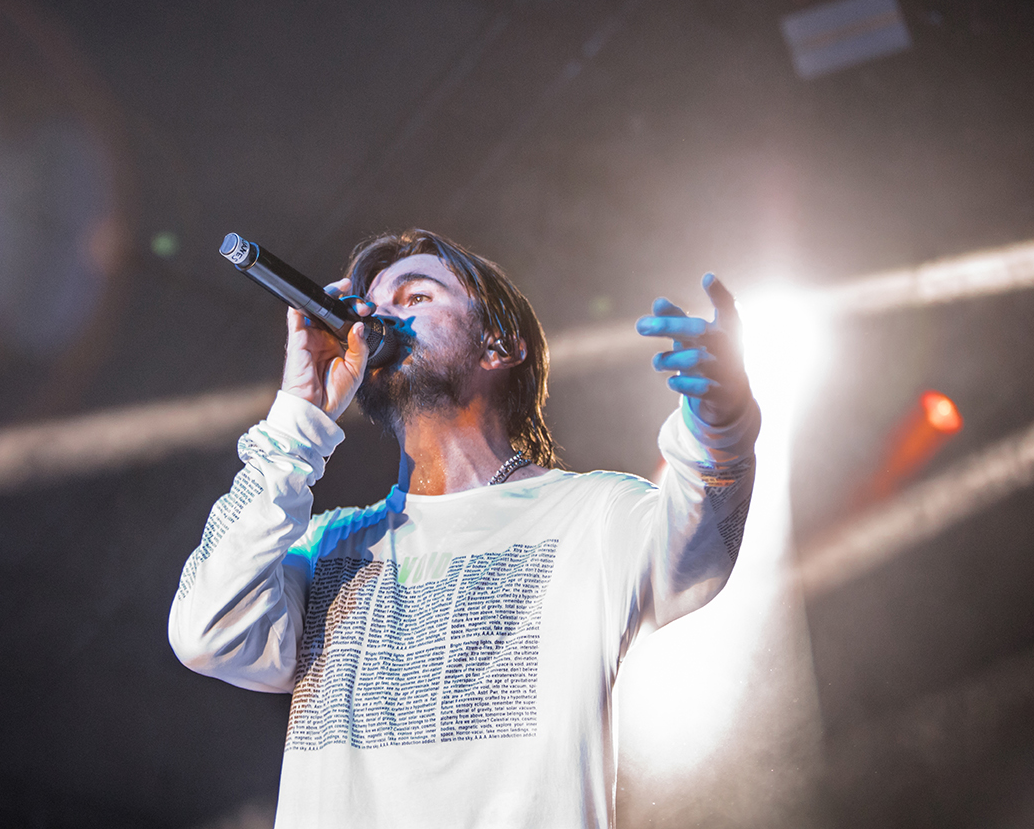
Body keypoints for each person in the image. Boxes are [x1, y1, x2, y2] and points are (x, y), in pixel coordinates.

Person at [169, 229, 759, 829]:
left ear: (499, 345)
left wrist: (722, 420)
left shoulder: (591, 515)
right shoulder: (322, 548)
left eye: (416, 296)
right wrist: (300, 416)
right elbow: (206, 633)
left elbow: (700, 545)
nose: (377, 313)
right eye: (372, 301)